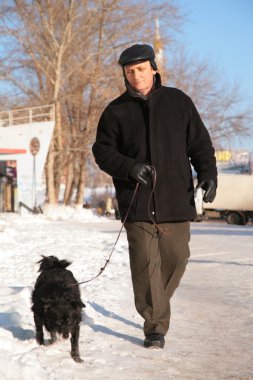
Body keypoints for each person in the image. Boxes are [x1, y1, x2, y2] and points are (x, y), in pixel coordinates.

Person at [92, 44, 217, 349]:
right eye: (130, 71)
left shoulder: (179, 102)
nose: (136, 75)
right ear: (125, 73)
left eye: (141, 69)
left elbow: (200, 143)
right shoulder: (115, 111)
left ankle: (155, 304)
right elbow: (102, 151)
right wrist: (130, 166)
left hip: (176, 199)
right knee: (146, 267)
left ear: (154, 68)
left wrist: (208, 175)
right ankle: (155, 327)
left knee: (177, 258)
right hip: (137, 203)